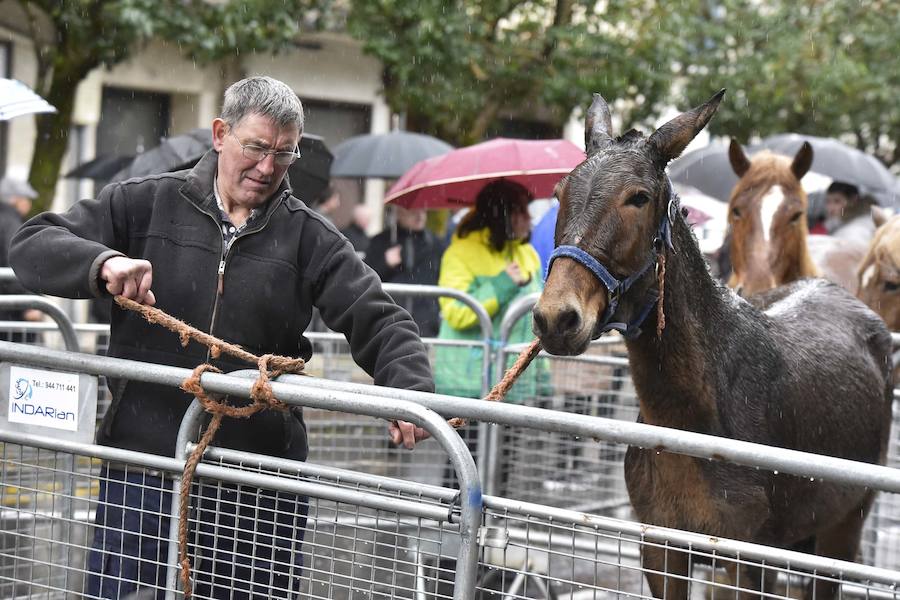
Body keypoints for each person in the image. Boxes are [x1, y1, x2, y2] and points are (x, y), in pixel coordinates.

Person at [10, 75, 432, 599]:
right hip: (147, 467)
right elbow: (33, 244)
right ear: (219, 134)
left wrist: (409, 389)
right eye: (255, 147)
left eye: (284, 153)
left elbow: (382, 319)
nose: (266, 168)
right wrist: (102, 263)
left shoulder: (311, 236)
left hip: (256, 482)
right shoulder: (143, 203)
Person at [434, 180, 549, 487]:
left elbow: (532, 319)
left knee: (501, 469)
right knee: (463, 467)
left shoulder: (528, 255)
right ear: (503, 214)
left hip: (509, 383)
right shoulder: (461, 252)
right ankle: (457, 531)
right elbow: (457, 312)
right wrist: (501, 284)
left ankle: (488, 531)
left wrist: (542, 377)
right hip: (469, 384)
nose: (530, 219)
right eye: (522, 211)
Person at [365, 205, 445, 337]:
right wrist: (385, 263)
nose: (420, 215)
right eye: (413, 211)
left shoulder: (435, 244)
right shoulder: (381, 241)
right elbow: (366, 278)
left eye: (423, 210)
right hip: (390, 318)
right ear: (399, 213)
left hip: (426, 322)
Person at [0, 177, 42, 341]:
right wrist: (31, 303)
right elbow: (15, 267)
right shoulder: (11, 224)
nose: (29, 204)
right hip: (10, 314)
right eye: (27, 199)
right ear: (16, 200)